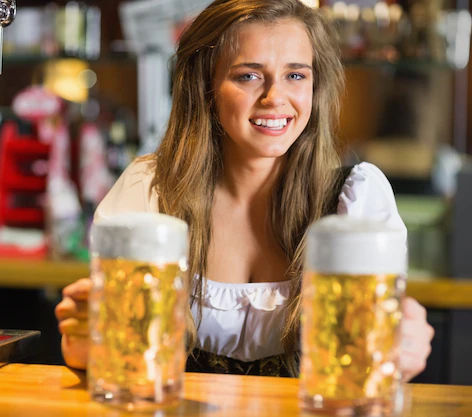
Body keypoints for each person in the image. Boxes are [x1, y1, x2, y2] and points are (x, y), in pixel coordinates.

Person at [56, 0, 434, 379]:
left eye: (296, 76)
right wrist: (86, 341)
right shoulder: (150, 189)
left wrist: (398, 349)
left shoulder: (355, 199)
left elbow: (376, 356)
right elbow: (105, 347)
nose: (275, 97)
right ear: (205, 86)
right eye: (248, 76)